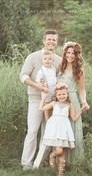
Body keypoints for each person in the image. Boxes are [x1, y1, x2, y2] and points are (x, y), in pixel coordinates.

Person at [20, 30, 61, 169]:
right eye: (49, 39)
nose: (51, 42)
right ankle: (26, 163)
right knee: (32, 131)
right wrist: (37, 85)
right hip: (35, 100)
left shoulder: (59, 60)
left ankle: (41, 162)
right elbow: (23, 76)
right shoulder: (33, 57)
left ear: (57, 42)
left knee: (47, 132)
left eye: (54, 40)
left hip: (52, 102)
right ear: (43, 40)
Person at [40, 82, 84, 176]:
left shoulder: (69, 105)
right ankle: (52, 155)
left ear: (67, 94)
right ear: (56, 95)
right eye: (59, 94)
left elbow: (74, 118)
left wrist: (81, 110)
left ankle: (60, 172)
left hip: (64, 129)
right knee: (59, 151)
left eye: (63, 94)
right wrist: (43, 98)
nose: (61, 96)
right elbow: (42, 108)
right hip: (55, 128)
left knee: (62, 151)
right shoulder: (54, 103)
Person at [58, 42, 89, 165]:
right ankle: (59, 161)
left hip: (73, 102)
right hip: (59, 102)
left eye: (73, 54)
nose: (70, 56)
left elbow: (81, 89)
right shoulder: (60, 66)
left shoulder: (79, 70)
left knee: (72, 130)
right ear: (65, 53)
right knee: (61, 130)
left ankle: (74, 163)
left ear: (77, 56)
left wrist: (84, 102)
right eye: (68, 53)